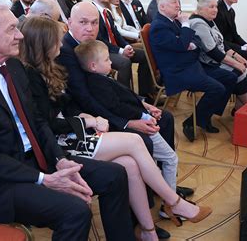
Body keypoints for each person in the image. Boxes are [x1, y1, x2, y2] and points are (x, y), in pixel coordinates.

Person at [0, 0, 135, 241]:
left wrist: (60, 159)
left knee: (115, 175)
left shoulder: (14, 67)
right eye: (12, 29)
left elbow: (38, 122)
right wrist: (44, 179)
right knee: (75, 212)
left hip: (35, 161)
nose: (20, 35)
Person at [20, 17, 212, 240]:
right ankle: (174, 202)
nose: (61, 45)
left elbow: (65, 104)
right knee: (135, 141)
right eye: (57, 40)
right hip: (61, 141)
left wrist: (82, 116)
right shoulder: (31, 75)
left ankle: (148, 231)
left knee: (130, 164)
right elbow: (46, 123)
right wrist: (88, 121)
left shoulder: (49, 66)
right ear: (43, 44)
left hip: (71, 129)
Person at [57, 2, 193, 202]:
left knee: (166, 118)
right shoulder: (66, 51)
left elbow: (113, 88)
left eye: (95, 23)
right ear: (69, 22)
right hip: (90, 118)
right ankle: (147, 196)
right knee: (145, 138)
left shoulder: (89, 40)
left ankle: (164, 183)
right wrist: (127, 122)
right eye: (83, 22)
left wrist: (142, 104)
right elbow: (85, 99)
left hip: (107, 105)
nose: (90, 28)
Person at [75, 39, 195, 218]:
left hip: (139, 117)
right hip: (138, 124)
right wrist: (143, 116)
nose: (111, 62)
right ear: (93, 66)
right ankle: (169, 205)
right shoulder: (97, 83)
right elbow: (117, 107)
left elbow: (127, 97)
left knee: (169, 153)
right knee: (170, 158)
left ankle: (168, 197)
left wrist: (145, 106)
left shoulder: (101, 78)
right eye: (107, 59)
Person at [150, 0, 237, 142]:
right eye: (173, 2)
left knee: (230, 77)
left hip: (190, 65)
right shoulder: (160, 26)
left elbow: (194, 40)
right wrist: (185, 27)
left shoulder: (172, 21)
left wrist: (187, 43)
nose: (178, 5)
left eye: (178, 1)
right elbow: (182, 44)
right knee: (217, 88)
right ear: (162, 7)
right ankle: (191, 123)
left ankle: (205, 117)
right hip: (177, 72)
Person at [89, 0, 153, 100]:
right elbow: (100, 40)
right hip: (101, 50)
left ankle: (145, 93)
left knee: (145, 56)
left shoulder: (106, 11)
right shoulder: (92, 11)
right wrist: (120, 50)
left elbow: (116, 34)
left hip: (113, 47)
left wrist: (126, 46)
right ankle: (125, 97)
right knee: (124, 62)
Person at [190, 0, 247, 113]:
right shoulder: (198, 23)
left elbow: (222, 43)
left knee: (243, 68)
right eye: (211, 7)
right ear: (201, 9)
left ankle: (243, 106)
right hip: (205, 63)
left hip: (214, 60)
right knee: (237, 72)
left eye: (216, 6)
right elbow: (213, 52)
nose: (215, 10)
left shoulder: (209, 21)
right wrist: (235, 63)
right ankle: (246, 106)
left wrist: (236, 56)